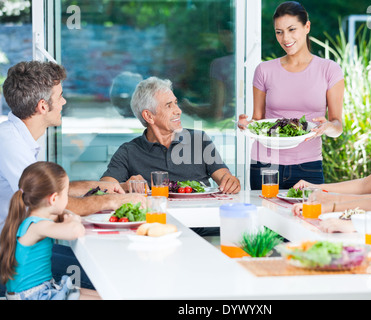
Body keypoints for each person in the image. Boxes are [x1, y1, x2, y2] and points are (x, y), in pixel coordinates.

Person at [0, 61, 146, 295]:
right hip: (13, 262)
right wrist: (114, 201)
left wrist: (106, 185)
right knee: (113, 273)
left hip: (25, 250)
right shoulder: (11, 144)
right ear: (42, 106)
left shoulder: (20, 138)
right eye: (60, 96)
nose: (64, 102)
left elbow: (56, 191)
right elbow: (55, 201)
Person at [238, 1, 345, 190]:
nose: (285, 38)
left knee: (307, 218)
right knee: (264, 218)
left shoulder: (329, 70)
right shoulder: (264, 70)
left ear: (307, 27)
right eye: (279, 32)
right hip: (265, 164)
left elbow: (338, 126)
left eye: (291, 29)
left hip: (308, 165)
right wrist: (248, 126)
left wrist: (327, 126)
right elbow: (258, 120)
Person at [100, 76, 241, 194]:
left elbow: (224, 176)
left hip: (202, 223)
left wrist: (230, 181)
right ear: (149, 116)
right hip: (159, 222)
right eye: (169, 105)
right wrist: (125, 186)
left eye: (176, 103)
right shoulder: (129, 151)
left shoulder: (199, 139)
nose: (178, 110)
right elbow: (102, 187)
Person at [0, 162, 100, 300]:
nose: (67, 199)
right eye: (66, 194)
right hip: (33, 296)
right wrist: (73, 220)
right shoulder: (37, 226)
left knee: (104, 295)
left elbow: (65, 221)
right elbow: (75, 231)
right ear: (53, 198)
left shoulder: (32, 219)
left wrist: (67, 215)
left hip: (41, 289)